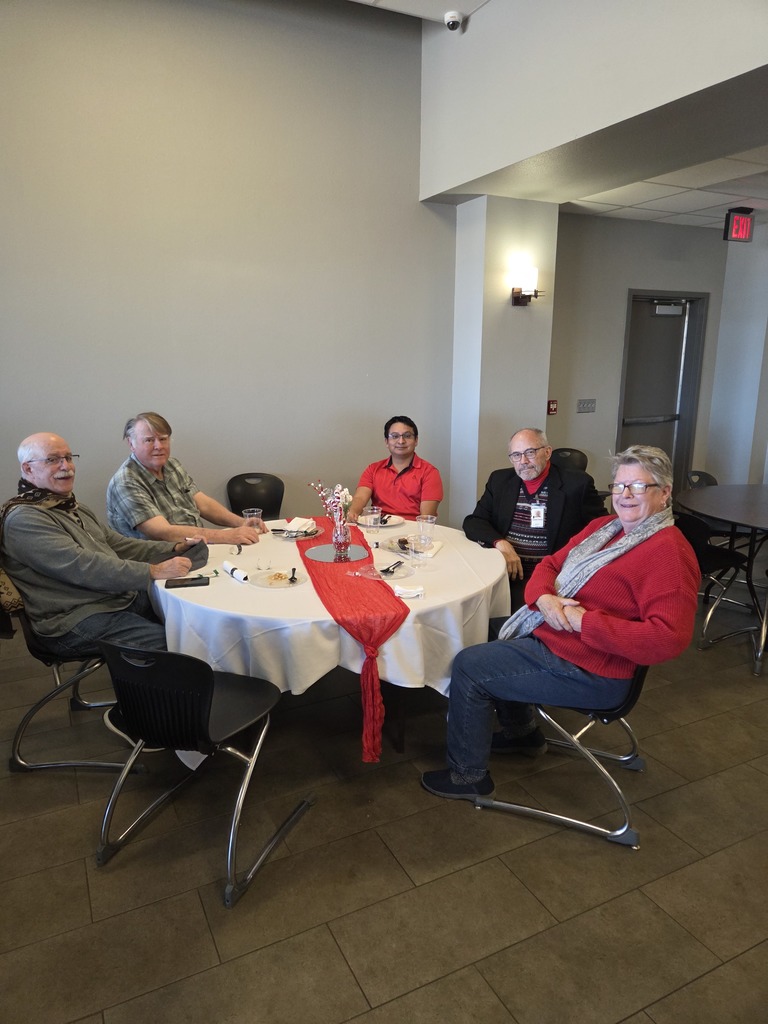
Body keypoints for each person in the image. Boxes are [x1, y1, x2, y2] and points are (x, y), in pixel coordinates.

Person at [421, 445, 700, 801]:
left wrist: (586, 622)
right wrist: (545, 599)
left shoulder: (667, 553)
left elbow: (668, 639)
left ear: (664, 493)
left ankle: (467, 776)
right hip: (556, 637)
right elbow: (550, 565)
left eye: (638, 487)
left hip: (593, 670)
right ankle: (521, 732)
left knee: (470, 665)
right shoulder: (606, 528)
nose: (625, 496)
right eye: (618, 486)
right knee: (488, 630)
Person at [0, 432, 203, 659]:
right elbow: (82, 566)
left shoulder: (70, 506)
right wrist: (153, 571)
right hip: (72, 619)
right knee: (182, 645)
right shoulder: (24, 519)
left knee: (196, 622)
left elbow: (119, 545)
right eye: (53, 460)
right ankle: (158, 691)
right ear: (28, 469)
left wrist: (172, 549)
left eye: (68, 457)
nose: (66, 466)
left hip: (111, 600)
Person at [463, 427, 607, 608]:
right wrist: (501, 543)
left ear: (547, 452)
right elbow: (474, 521)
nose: (523, 461)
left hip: (553, 578)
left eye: (530, 453)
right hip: (505, 572)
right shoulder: (499, 480)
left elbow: (602, 530)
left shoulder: (577, 484)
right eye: (516, 455)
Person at [107, 412, 268, 545]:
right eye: (149, 440)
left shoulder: (172, 465)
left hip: (195, 548)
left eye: (163, 439)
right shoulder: (126, 482)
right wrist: (227, 536)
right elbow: (163, 532)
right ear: (131, 443)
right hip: (157, 563)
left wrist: (241, 523)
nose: (159, 446)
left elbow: (203, 504)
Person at [347, 416, 444, 522]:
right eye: (395, 436)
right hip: (379, 527)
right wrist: (353, 512)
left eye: (407, 436)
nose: (401, 441)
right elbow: (360, 498)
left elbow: (426, 517)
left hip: (411, 532)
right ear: (386, 442)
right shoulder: (373, 469)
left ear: (416, 440)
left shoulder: (429, 472)